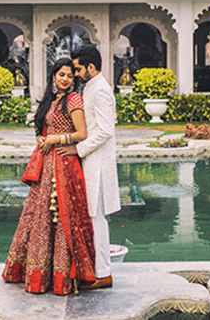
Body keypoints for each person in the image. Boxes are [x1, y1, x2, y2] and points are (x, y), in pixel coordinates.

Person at [2, 57, 97, 295]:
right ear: (53, 76)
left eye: (69, 75)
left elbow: (82, 133)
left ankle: (62, 276)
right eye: (61, 74)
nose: (65, 79)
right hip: (46, 165)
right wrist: (41, 138)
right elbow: (41, 128)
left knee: (62, 216)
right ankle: (37, 273)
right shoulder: (50, 100)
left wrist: (56, 139)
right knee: (39, 217)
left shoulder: (74, 99)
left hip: (64, 165)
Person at [71, 45, 120, 289]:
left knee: (96, 219)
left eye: (79, 68)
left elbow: (105, 131)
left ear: (91, 67)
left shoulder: (100, 90)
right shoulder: (92, 87)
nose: (76, 73)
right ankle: (97, 270)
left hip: (98, 165)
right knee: (92, 218)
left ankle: (103, 274)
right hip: (91, 163)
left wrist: (77, 150)